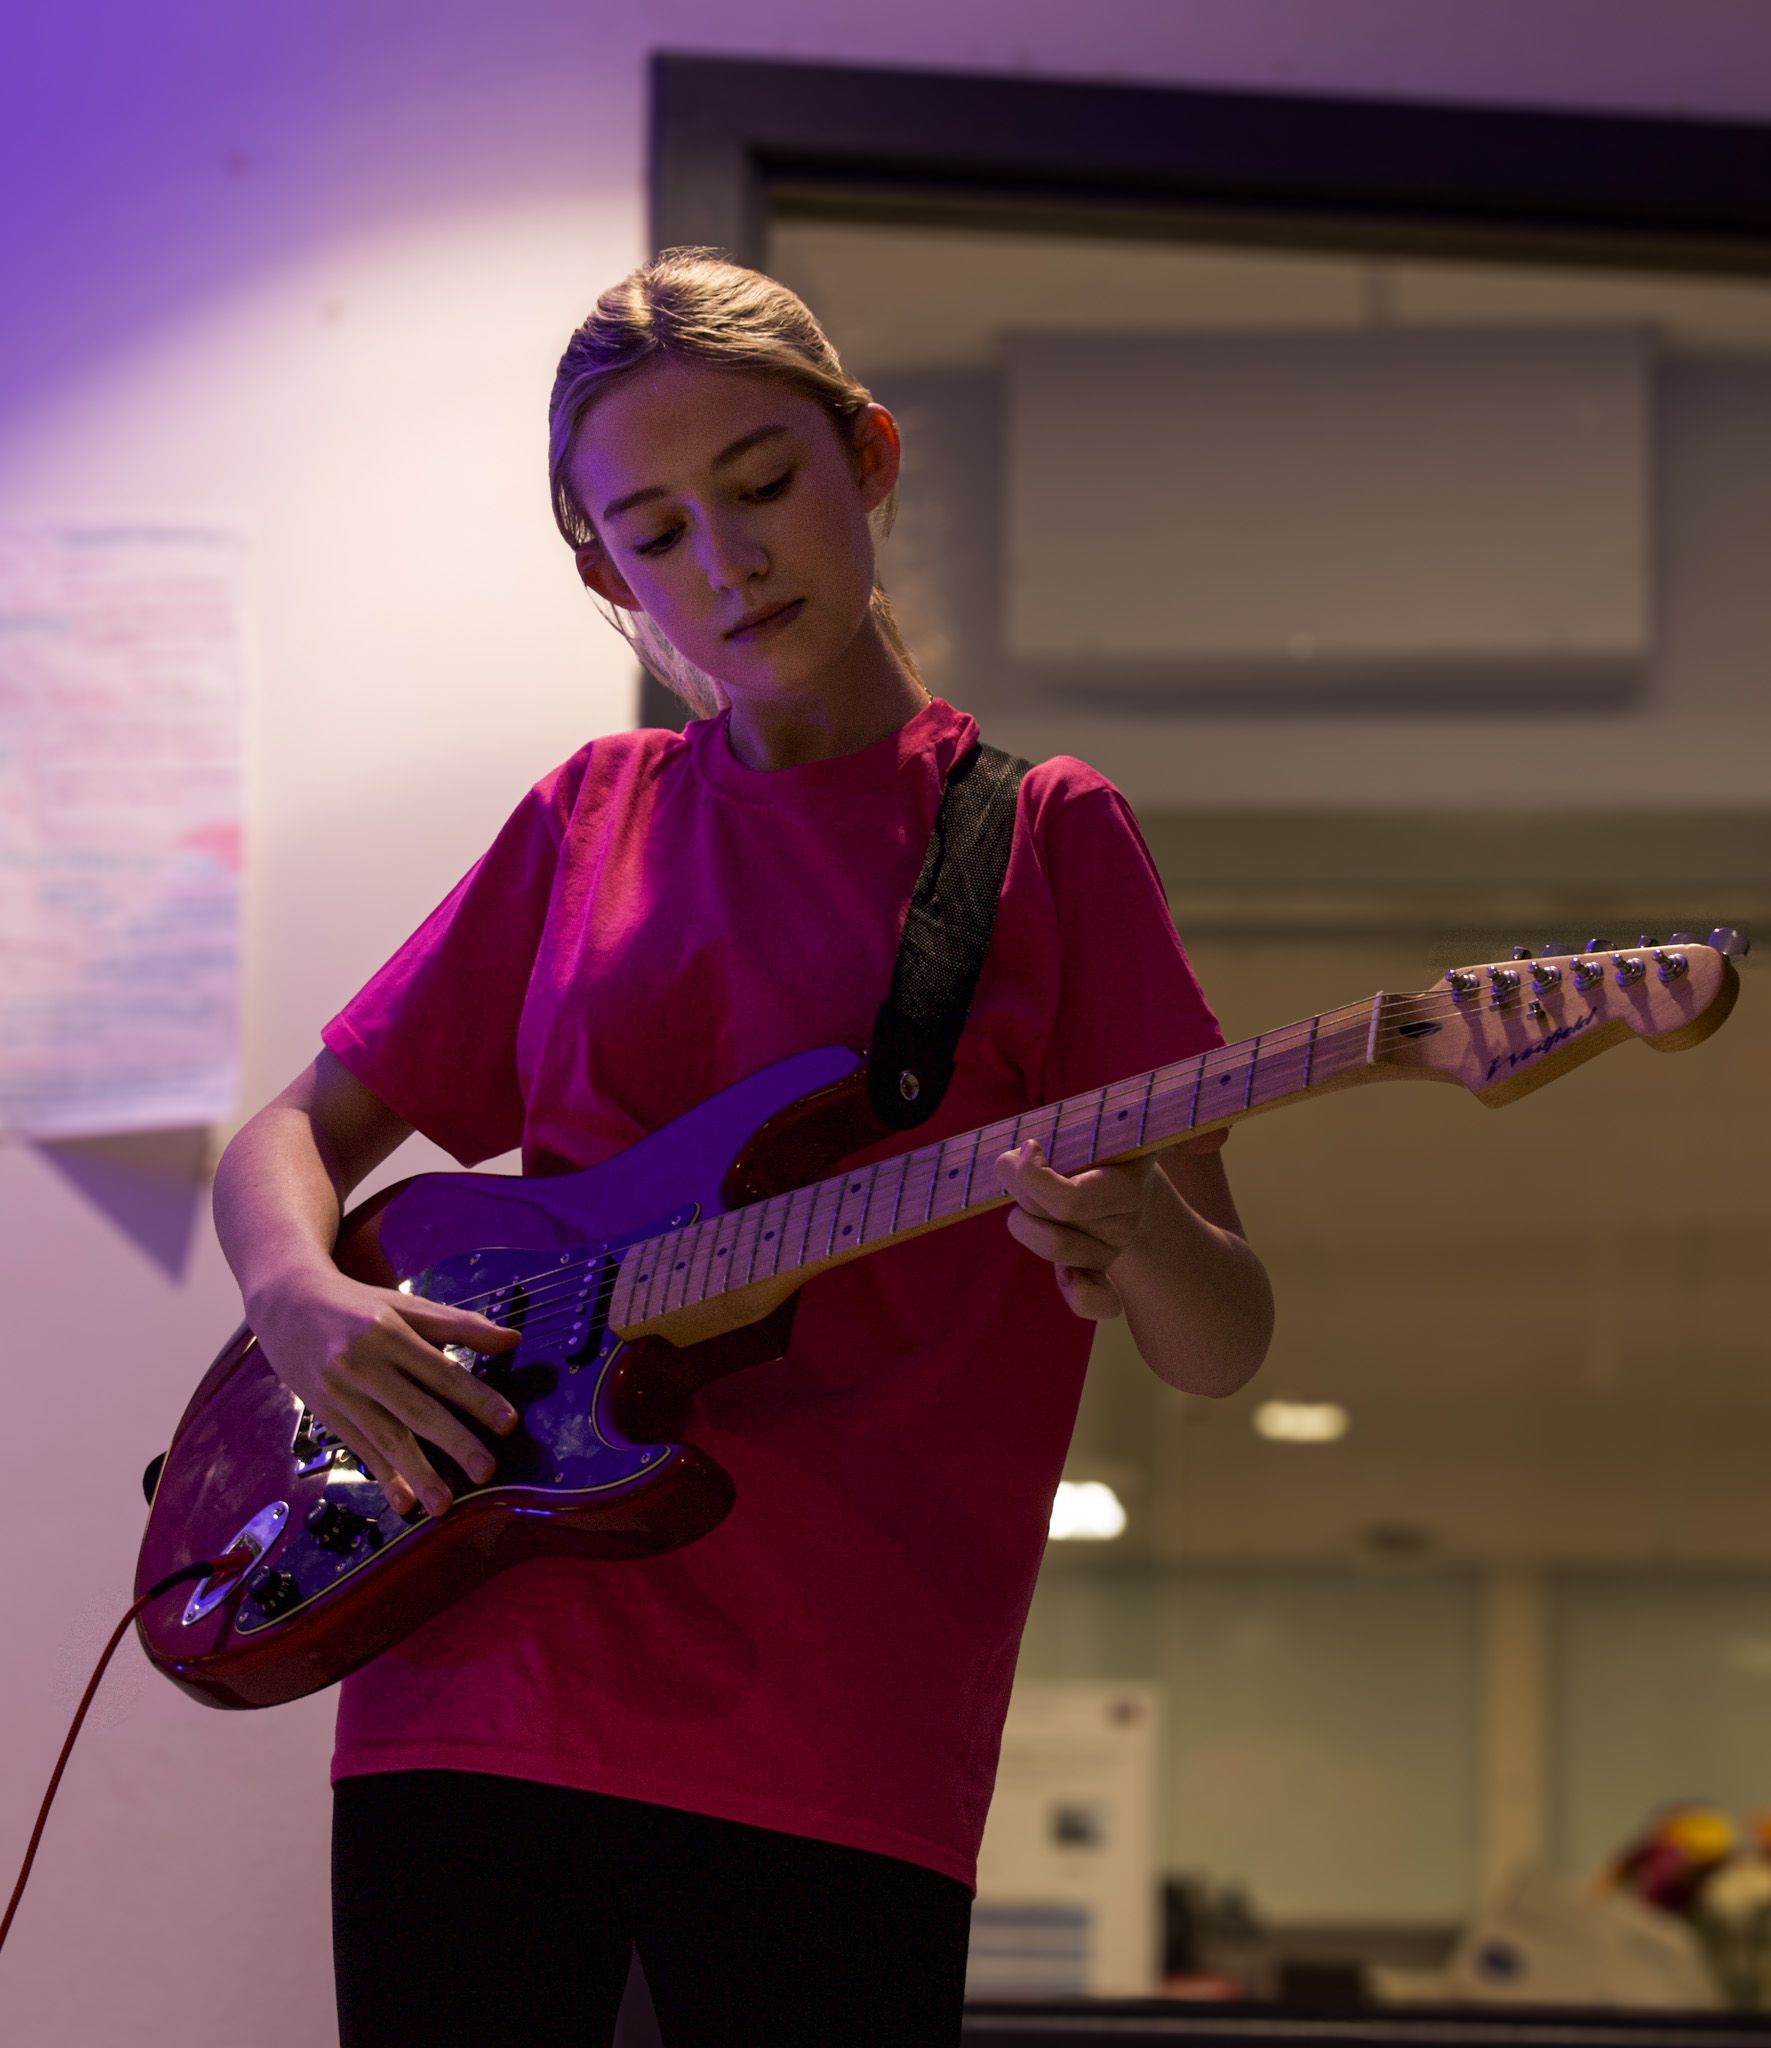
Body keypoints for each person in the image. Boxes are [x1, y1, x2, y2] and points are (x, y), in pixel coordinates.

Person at [210, 245, 1275, 2048]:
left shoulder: (1042, 840)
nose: (729, 562)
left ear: (865, 459)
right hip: (476, 1672)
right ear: (600, 573)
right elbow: (291, 1141)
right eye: (657, 531)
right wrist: (307, 1301)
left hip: (839, 1719)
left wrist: (1138, 1238)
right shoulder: (586, 817)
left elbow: (1225, 1333)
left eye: (767, 486)